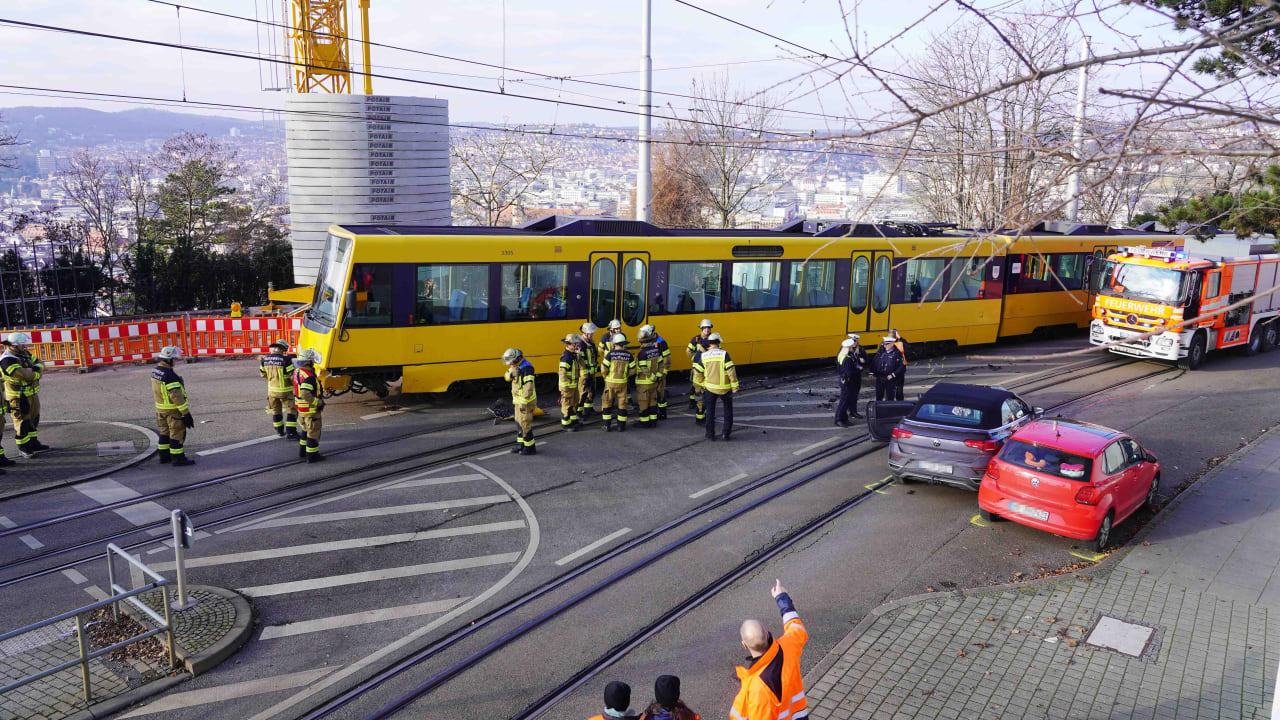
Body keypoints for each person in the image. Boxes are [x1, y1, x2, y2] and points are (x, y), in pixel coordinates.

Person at [732, 580, 809, 720]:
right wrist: (781, 596)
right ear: (767, 634)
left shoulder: (757, 687)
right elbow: (795, 625)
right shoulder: (788, 646)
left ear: (744, 645)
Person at [1, 332, 49, 458]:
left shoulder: (23, 353)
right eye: (22, 344)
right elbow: (27, 376)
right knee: (22, 422)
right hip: (18, 397)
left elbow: (40, 363)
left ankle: (33, 443)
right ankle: (24, 448)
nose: (25, 346)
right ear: (14, 346)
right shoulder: (7, 360)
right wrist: (37, 372)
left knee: (34, 419)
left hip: (32, 394)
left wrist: (35, 369)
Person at [151, 345, 194, 466]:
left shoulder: (156, 371)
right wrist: (185, 413)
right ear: (168, 359)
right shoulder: (170, 376)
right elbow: (176, 397)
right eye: (174, 359)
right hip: (172, 410)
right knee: (177, 433)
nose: (176, 361)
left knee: (164, 432)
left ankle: (164, 456)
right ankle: (178, 458)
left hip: (160, 409)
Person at [692, 332, 738, 441]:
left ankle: (710, 435)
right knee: (728, 411)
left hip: (710, 389)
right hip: (725, 389)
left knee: (710, 412)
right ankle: (725, 434)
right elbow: (731, 371)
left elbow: (697, 372)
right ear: (718, 343)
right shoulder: (724, 354)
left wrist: (703, 383)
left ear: (709, 344)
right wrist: (734, 386)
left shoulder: (704, 356)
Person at [259, 339, 299, 439]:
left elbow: (263, 374)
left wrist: (273, 379)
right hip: (285, 391)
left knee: (276, 411)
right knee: (292, 410)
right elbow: (291, 375)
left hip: (271, 391)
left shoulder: (265, 359)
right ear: (283, 349)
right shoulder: (286, 360)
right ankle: (291, 433)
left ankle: (279, 431)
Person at [292, 348, 326, 462]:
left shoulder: (297, 371)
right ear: (308, 362)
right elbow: (305, 393)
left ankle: (302, 452)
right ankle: (312, 456)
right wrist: (318, 402)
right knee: (313, 433)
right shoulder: (309, 376)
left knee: (305, 431)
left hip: (301, 410)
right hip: (310, 411)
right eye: (312, 361)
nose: (313, 363)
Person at [502, 348, 538, 455]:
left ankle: (530, 448)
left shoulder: (527, 368)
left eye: (511, 361)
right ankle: (521, 444)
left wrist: (523, 403)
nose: (510, 364)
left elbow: (529, 387)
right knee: (518, 423)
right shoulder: (514, 366)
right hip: (518, 401)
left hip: (525, 402)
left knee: (525, 424)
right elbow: (506, 376)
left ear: (517, 358)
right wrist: (511, 375)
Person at [600, 333, 635, 432]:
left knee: (607, 403)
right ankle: (621, 426)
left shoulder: (610, 354)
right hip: (622, 383)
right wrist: (625, 375)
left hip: (610, 383)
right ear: (623, 344)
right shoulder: (628, 355)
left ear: (614, 343)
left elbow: (603, 369)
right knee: (622, 404)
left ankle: (607, 426)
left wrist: (606, 376)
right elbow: (633, 370)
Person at [834, 335, 867, 426]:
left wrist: (857, 366)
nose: (853, 348)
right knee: (844, 402)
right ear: (848, 348)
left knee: (846, 401)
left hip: (847, 381)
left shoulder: (846, 355)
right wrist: (859, 369)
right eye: (852, 347)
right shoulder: (847, 359)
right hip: (848, 382)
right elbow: (849, 372)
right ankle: (838, 419)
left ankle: (844, 419)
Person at [686, 319, 714, 421]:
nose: (707, 330)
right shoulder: (696, 339)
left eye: (708, 328)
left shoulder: (713, 339)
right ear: (701, 329)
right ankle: (698, 412)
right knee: (696, 389)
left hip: (708, 370)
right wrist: (697, 360)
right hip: (697, 369)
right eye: (705, 328)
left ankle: (704, 413)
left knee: (706, 393)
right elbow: (689, 352)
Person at [634, 328, 663, 428]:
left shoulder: (642, 353)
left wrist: (650, 377)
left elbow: (643, 368)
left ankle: (644, 422)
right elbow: (661, 364)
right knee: (653, 401)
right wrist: (657, 376)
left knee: (643, 402)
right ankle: (653, 421)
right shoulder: (656, 350)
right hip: (654, 383)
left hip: (644, 383)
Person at [645, 324, 673, 420]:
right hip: (653, 371)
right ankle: (655, 411)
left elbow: (667, 358)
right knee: (654, 392)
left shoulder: (661, 342)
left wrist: (663, 372)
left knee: (660, 392)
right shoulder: (649, 340)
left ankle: (662, 413)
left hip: (660, 371)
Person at [558, 333, 584, 432]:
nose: (577, 346)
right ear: (569, 344)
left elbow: (581, 365)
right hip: (568, 387)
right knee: (566, 405)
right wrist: (565, 387)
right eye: (575, 344)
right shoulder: (567, 356)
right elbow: (562, 373)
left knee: (574, 403)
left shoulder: (573, 355)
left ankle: (573, 421)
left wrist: (579, 354)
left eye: (577, 344)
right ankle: (565, 424)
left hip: (574, 386)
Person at [871, 336, 905, 402]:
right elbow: (875, 361)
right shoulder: (881, 352)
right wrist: (872, 372)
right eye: (884, 344)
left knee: (890, 397)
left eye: (886, 344)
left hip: (890, 378)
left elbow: (902, 367)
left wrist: (893, 375)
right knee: (878, 397)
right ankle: (879, 411)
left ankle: (888, 411)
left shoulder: (897, 353)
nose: (884, 346)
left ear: (892, 344)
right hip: (880, 378)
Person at [578, 322, 600, 419]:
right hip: (585, 373)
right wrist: (586, 374)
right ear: (586, 333)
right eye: (591, 333)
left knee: (591, 392)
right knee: (582, 393)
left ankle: (588, 410)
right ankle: (578, 413)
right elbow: (581, 360)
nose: (592, 335)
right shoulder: (581, 344)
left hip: (591, 372)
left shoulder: (590, 342)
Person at [889, 329, 908, 401]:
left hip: (893, 370)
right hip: (899, 370)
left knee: (891, 390)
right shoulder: (900, 343)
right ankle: (899, 403)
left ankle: (890, 403)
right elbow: (908, 347)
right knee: (899, 389)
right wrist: (900, 337)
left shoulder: (886, 343)